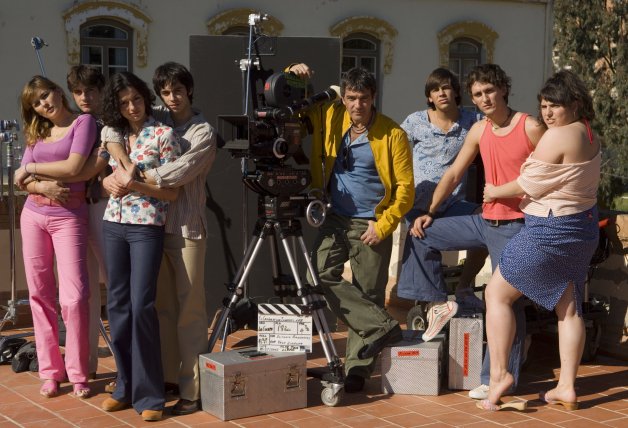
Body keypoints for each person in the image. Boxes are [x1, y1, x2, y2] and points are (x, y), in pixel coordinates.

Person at [405, 64, 545, 399]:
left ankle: (498, 377)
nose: (484, 98)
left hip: (517, 226)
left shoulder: (529, 126)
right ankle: (437, 302)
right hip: (484, 219)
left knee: (507, 303)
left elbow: (550, 174)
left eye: (489, 91)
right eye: (478, 94)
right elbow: (453, 174)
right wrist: (428, 212)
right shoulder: (479, 131)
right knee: (421, 232)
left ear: (503, 90)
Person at [479, 70, 600, 411]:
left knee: (497, 294)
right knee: (570, 307)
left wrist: (493, 192)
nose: (548, 113)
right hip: (583, 228)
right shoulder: (591, 134)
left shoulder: (557, 137)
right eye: (544, 106)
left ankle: (500, 373)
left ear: (575, 104)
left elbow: (527, 183)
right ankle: (566, 386)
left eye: (555, 106)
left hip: (549, 230)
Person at [288, 63, 414, 393]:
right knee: (319, 273)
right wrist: (295, 73)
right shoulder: (331, 116)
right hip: (334, 215)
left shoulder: (392, 134)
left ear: (374, 98)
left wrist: (384, 225)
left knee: (368, 291)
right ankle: (383, 326)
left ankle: (358, 367)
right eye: (351, 98)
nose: (357, 105)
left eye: (364, 98)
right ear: (343, 97)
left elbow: (405, 188)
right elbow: (298, 113)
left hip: (371, 220)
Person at [102, 62, 217, 415]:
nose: (171, 98)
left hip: (183, 228)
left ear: (190, 90)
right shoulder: (152, 114)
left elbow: (176, 175)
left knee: (189, 314)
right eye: (165, 92)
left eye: (177, 91)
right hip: (149, 229)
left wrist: (128, 179)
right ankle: (156, 380)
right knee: (158, 311)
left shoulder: (201, 131)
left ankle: (191, 390)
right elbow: (110, 126)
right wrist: (118, 162)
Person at [98, 72, 180, 422]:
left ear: (146, 98)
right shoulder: (115, 136)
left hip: (146, 226)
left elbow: (172, 192)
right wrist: (108, 183)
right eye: (124, 102)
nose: (132, 107)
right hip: (113, 225)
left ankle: (151, 394)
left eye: (136, 99)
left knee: (141, 304)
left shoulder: (164, 135)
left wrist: (136, 187)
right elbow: (104, 178)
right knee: (116, 305)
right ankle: (124, 385)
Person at [14, 76, 97, 399]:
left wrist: (33, 168)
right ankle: (50, 372)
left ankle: (78, 373)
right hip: (34, 214)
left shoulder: (83, 122)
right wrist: (41, 185)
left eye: (46, 95)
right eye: (36, 102)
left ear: (59, 92)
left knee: (74, 298)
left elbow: (75, 167)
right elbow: (22, 181)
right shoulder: (36, 131)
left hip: (68, 217)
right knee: (40, 294)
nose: (44, 104)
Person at [397, 67, 488, 319]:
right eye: (435, 89)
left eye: (446, 87)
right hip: (418, 204)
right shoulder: (415, 122)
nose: (441, 93)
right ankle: (435, 304)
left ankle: (464, 288)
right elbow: (393, 151)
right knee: (419, 235)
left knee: (488, 223)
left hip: (454, 202)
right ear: (429, 97)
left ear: (456, 92)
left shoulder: (473, 121)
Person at [66, 65, 109, 379]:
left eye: (90, 91)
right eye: (79, 91)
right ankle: (86, 365)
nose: (84, 97)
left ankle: (130, 365)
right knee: (85, 291)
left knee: (116, 283)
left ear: (101, 92)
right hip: (75, 210)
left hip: (106, 206)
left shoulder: (109, 122)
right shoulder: (71, 122)